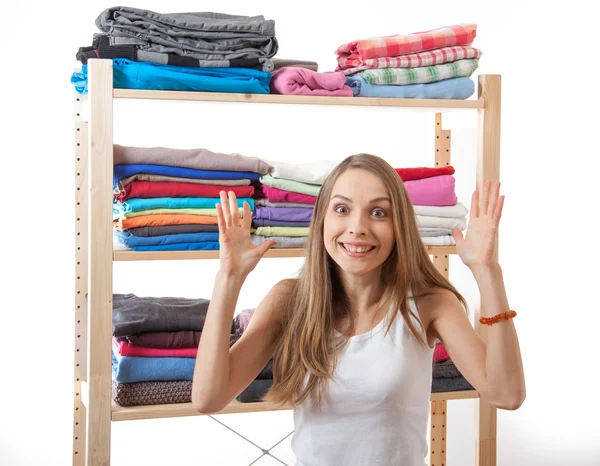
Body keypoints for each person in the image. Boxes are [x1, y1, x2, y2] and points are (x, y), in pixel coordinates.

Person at [192, 153, 525, 466]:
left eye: (378, 213)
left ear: (399, 228)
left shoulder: (428, 304)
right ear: (322, 219)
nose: (357, 227)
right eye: (342, 209)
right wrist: (229, 277)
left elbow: (507, 394)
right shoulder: (290, 300)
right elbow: (208, 398)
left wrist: (487, 271)